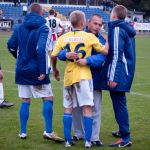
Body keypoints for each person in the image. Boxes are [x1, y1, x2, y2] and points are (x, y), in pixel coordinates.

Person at [7, 3, 64, 142]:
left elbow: (10, 45)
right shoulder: (44, 28)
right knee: (48, 98)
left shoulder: (19, 27)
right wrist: (43, 70)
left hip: (22, 69)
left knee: (25, 100)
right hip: (37, 70)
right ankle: (48, 131)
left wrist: (19, 59)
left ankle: (22, 132)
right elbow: (41, 49)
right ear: (41, 14)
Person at [51, 10, 108, 148]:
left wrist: (87, 60)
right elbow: (105, 52)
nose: (98, 26)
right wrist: (65, 54)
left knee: (91, 108)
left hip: (89, 77)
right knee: (79, 108)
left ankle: (93, 137)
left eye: (100, 24)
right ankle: (80, 135)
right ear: (86, 22)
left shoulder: (66, 37)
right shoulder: (90, 37)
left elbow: (101, 58)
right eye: (95, 23)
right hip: (83, 77)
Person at [99, 5, 136, 147]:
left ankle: (125, 138)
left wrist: (113, 77)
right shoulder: (125, 28)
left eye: (111, 13)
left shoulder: (117, 28)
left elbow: (116, 54)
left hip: (119, 73)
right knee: (120, 102)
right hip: (125, 71)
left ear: (114, 15)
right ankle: (122, 131)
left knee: (119, 104)